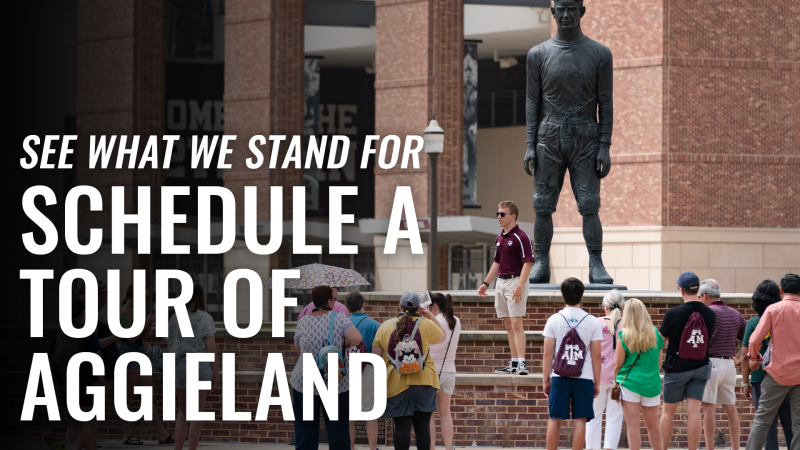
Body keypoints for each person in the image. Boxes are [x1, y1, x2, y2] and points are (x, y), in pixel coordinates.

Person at [523, 0, 615, 285]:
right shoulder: (538, 55)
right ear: (552, 12)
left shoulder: (600, 54)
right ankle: (541, 262)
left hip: (586, 134)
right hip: (548, 135)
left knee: (589, 204)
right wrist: (529, 144)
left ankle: (596, 261)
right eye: (560, 9)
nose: (565, 14)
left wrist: (605, 145)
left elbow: (606, 103)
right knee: (542, 205)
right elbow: (532, 102)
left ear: (582, 11)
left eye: (571, 9)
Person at [372, 292, 447, 450]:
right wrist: (429, 316)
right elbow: (443, 336)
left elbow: (376, 358)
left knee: (402, 427)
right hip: (425, 382)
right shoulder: (425, 324)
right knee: (422, 427)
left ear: (400, 307)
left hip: (396, 384)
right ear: (418, 308)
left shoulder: (385, 326)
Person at [291, 286, 362, 450]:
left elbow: (298, 349)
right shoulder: (338, 318)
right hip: (334, 382)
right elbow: (357, 338)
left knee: (305, 431)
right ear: (330, 301)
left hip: (305, 382)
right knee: (338, 431)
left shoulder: (303, 320)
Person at [542, 277, 602, 450]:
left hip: (560, 376)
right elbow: (596, 356)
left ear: (563, 295)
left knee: (555, 419)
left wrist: (545, 380)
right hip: (584, 377)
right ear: (582, 296)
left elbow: (547, 353)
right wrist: (596, 382)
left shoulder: (554, 319)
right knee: (580, 420)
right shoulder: (592, 321)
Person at [659, 272, 717, 450]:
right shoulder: (711, 314)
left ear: (681, 290)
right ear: (698, 289)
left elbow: (661, 340)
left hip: (676, 368)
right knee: (694, 412)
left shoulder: (673, 313)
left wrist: (669, 339)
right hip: (700, 367)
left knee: (668, 412)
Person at [477, 200, 534, 375]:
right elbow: (497, 263)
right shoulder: (500, 238)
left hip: (515, 282)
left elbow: (528, 262)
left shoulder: (521, 237)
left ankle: (522, 364)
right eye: (498, 214)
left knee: (517, 323)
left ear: (513, 216)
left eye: (502, 214)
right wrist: (486, 284)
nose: (499, 217)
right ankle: (514, 363)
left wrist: (519, 286)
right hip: (500, 283)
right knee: (508, 324)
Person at [745, 274, 800, 450]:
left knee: (762, 420)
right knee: (798, 424)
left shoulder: (773, 310)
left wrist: (754, 359)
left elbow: (754, 341)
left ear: (781, 290)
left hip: (777, 374)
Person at [118, 283, 172, 445]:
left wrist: (149, 322)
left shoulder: (136, 311)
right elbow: (130, 337)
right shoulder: (124, 312)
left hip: (140, 351)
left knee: (149, 396)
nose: (144, 300)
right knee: (127, 398)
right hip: (128, 353)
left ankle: (162, 434)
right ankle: (127, 434)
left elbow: (143, 336)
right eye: (143, 296)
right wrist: (146, 320)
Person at [167, 282, 219, 450]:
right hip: (200, 366)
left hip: (181, 366)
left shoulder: (174, 318)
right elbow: (211, 349)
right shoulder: (206, 318)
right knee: (197, 414)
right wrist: (216, 375)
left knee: (182, 411)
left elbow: (170, 346)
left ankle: (178, 448)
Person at [698, 279, 746, 450]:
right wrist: (740, 357)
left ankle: (710, 448)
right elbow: (749, 337)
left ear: (704, 296)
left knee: (709, 409)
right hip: (729, 365)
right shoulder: (735, 314)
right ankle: (735, 447)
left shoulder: (704, 313)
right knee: (731, 409)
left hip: (710, 364)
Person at [50, 297, 102, 450]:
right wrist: (102, 381)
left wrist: (57, 385)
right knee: (85, 424)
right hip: (83, 384)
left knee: (71, 427)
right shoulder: (87, 332)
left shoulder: (57, 335)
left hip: (64, 385)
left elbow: (53, 362)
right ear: (81, 313)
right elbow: (98, 358)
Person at [613, 298, 664, 450]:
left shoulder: (623, 336)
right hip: (652, 385)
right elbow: (659, 363)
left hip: (630, 384)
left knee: (633, 426)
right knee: (654, 426)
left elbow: (617, 365)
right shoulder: (656, 334)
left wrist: (615, 382)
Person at [586, 290, 625, 450]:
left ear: (605, 307)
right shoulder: (627, 324)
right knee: (614, 418)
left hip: (597, 377)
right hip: (621, 378)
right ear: (622, 307)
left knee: (593, 418)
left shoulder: (595, 323)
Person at [344, 291, 381, 450]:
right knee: (371, 413)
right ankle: (372, 448)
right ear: (363, 305)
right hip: (368, 370)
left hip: (346, 371)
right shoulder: (375, 325)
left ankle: (351, 447)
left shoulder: (342, 323)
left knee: (348, 413)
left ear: (347, 307)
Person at [428, 293, 462, 450]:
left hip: (432, 372)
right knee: (445, 414)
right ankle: (449, 448)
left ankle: (432, 447)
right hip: (449, 372)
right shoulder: (456, 321)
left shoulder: (432, 322)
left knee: (429, 415)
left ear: (434, 306)